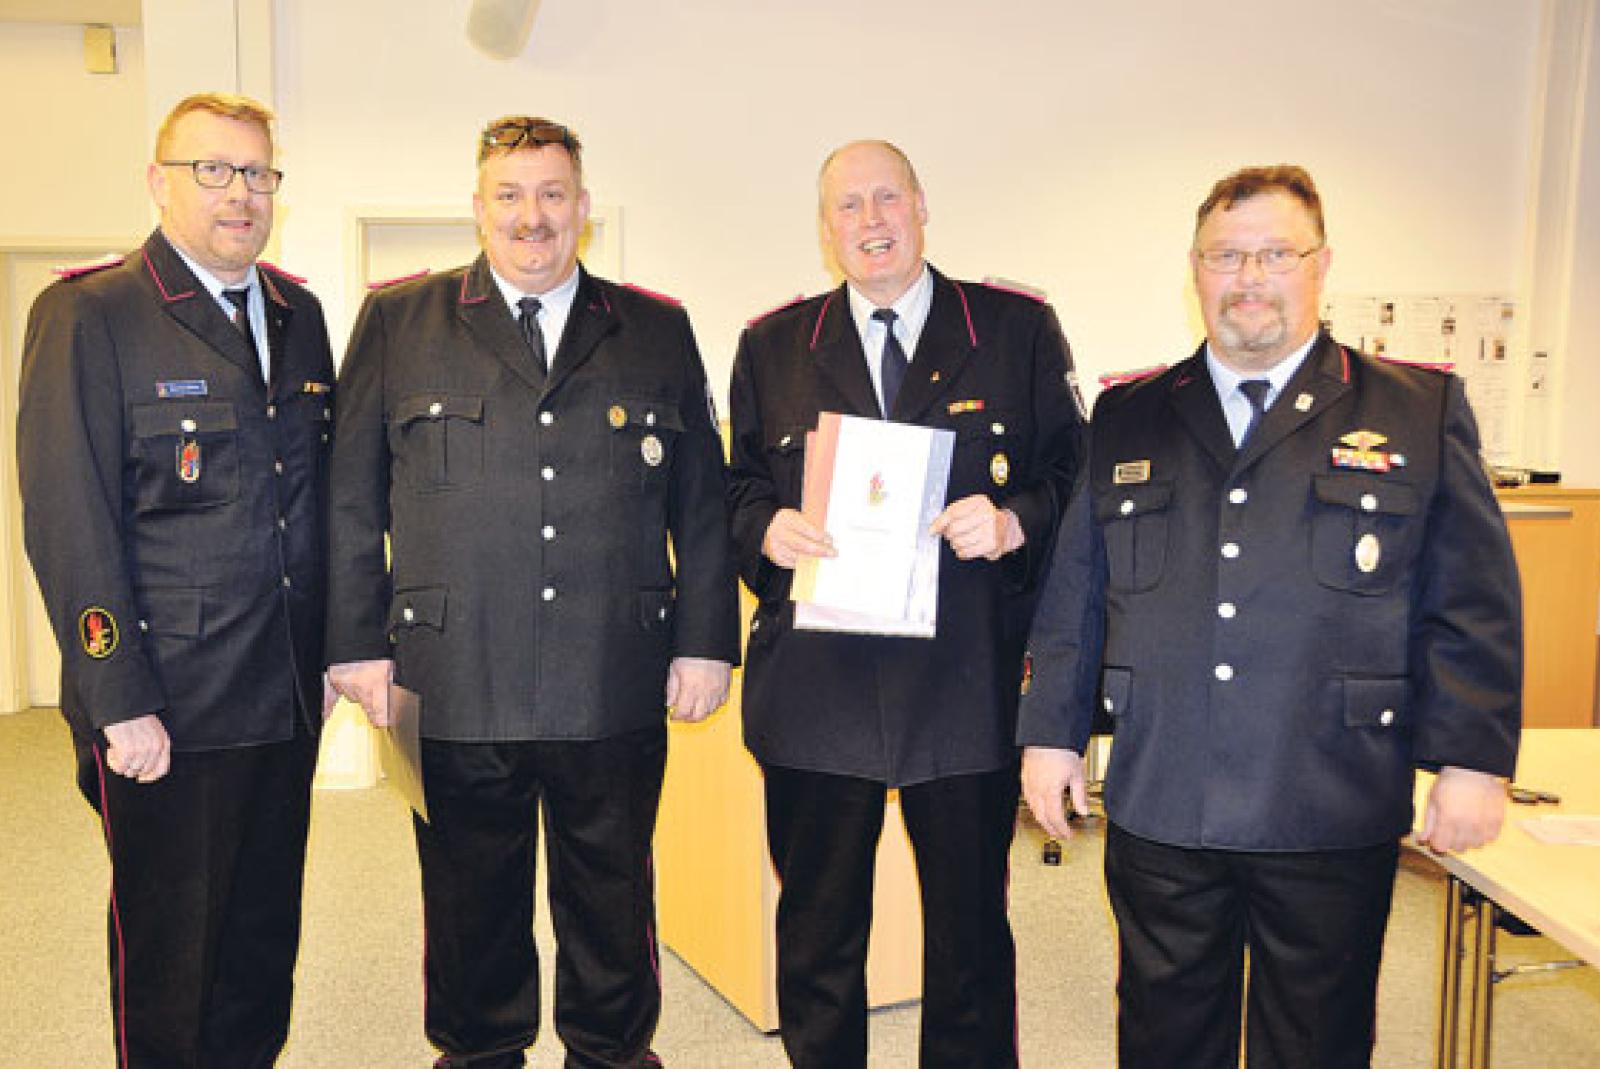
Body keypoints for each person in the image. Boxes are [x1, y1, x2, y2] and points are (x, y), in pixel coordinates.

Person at [1018, 164, 1522, 1068]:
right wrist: (1051, 735)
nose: (1249, 276)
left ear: (1321, 264)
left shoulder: (1415, 409)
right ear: (1194, 270)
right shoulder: (1130, 414)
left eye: (1275, 254)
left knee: (1316, 1040)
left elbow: (1471, 598)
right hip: (1166, 787)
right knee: (1165, 1035)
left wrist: (1473, 759)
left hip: (1329, 791)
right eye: (1226, 256)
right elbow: (1077, 592)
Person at [325, 116, 739, 1069]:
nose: (532, 216)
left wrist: (705, 640)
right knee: (468, 905)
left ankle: (612, 1054)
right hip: (453, 672)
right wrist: (355, 643)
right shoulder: (399, 321)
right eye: (509, 195)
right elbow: (350, 497)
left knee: (613, 899)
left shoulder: (654, 328)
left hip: (612, 670)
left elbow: (701, 503)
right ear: (478, 208)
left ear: (583, 207)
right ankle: (479, 1055)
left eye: (553, 194)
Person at [727, 139, 1086, 1068]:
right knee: (817, 937)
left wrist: (1013, 520)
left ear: (922, 206)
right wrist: (765, 529)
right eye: (848, 206)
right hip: (819, 689)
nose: (871, 220)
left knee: (970, 940)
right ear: (825, 227)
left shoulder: (1014, 329)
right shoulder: (772, 346)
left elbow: (1074, 477)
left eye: (887, 198)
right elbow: (734, 489)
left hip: (963, 686)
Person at [17, 92, 335, 1066]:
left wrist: (334, 651)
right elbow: (68, 518)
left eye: (257, 173)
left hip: (283, 695)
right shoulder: (91, 312)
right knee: (171, 956)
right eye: (213, 170)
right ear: (160, 181)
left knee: (260, 944)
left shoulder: (300, 313)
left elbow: (317, 501)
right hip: (168, 704)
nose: (239, 193)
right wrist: (117, 697)